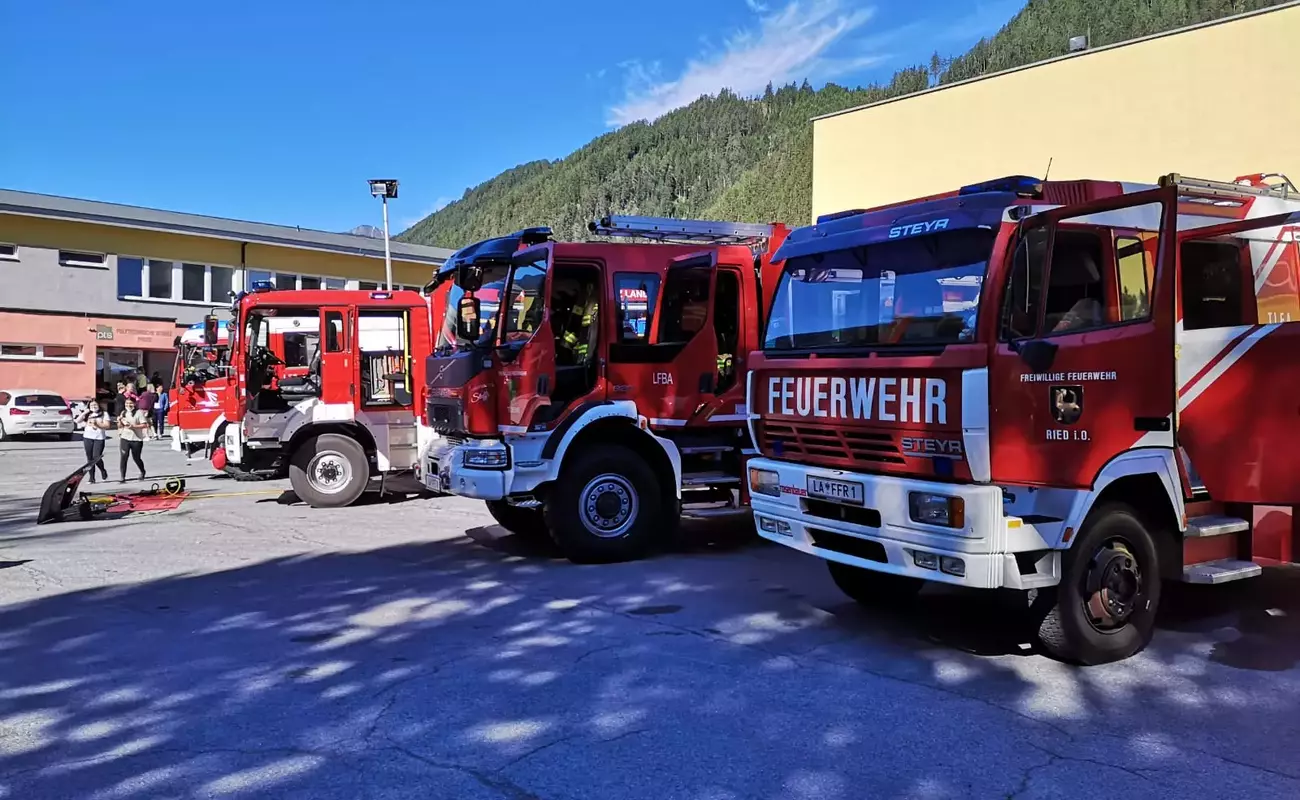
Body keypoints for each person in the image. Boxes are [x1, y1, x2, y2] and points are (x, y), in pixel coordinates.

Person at [76, 399, 112, 483]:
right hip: (88, 437)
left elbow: (107, 426)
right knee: (89, 459)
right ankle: (91, 478)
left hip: (99, 438)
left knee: (96, 457)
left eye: (95, 405)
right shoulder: (88, 414)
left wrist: (97, 424)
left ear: (99, 405)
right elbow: (77, 421)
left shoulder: (104, 414)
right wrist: (85, 412)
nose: (94, 407)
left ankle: (103, 471)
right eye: (92, 405)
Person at [116, 397, 150, 482]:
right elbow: (120, 426)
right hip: (125, 437)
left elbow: (144, 425)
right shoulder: (123, 412)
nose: (128, 405)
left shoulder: (139, 413)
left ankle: (142, 471)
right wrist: (119, 421)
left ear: (134, 404)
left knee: (136, 457)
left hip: (136, 439)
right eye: (127, 403)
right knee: (124, 456)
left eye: (130, 403)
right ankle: (122, 477)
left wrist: (133, 426)